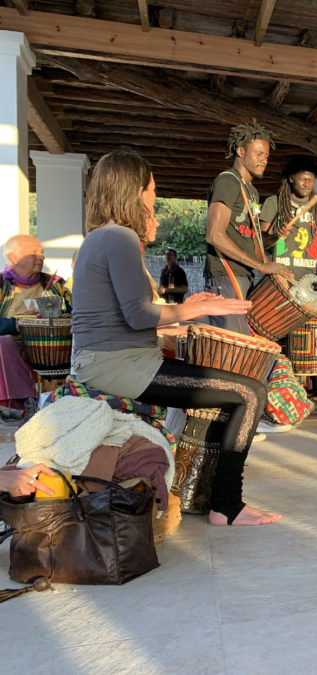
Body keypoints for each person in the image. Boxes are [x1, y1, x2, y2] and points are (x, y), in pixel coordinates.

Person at [72, 149, 279, 526]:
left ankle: (204, 491)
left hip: (113, 361)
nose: (154, 197)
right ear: (134, 190)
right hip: (119, 367)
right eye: (151, 189)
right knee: (250, 393)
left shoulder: (100, 238)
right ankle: (227, 505)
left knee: (230, 386)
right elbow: (138, 315)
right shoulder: (119, 238)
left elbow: (123, 316)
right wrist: (195, 311)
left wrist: (187, 310)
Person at [204, 120, 292, 334]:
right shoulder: (228, 182)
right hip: (225, 276)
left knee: (245, 344)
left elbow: (251, 239)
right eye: (259, 154)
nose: (264, 160)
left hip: (244, 276)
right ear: (241, 151)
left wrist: (273, 263)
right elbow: (214, 235)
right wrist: (261, 266)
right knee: (230, 348)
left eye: (267, 156)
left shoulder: (250, 190)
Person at [0, 234, 72, 417]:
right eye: (33, 253)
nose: (41, 257)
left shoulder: (56, 285)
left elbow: (77, 311)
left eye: (42, 252)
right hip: (14, 346)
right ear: (13, 257)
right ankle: (27, 401)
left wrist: (56, 318)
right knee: (3, 344)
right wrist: (15, 324)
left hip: (54, 346)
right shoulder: (2, 285)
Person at [260, 155, 317, 284]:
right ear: (291, 178)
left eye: (311, 180)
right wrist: (276, 236)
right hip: (280, 277)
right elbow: (260, 242)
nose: (307, 184)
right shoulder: (274, 203)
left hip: (311, 279)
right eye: (302, 179)